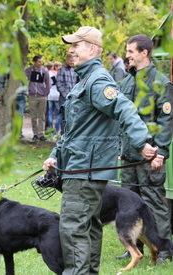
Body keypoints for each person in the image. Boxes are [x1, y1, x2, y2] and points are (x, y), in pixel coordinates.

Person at [42, 26, 158, 275]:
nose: (71, 50)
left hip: (85, 171)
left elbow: (123, 108)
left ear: (92, 48)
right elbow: (74, 131)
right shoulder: (84, 80)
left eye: (76, 45)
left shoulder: (97, 80)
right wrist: (55, 156)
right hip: (80, 167)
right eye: (71, 45)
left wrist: (141, 142)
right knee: (88, 227)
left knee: (73, 228)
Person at [116, 34, 173, 264]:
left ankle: (164, 250)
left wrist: (161, 152)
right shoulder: (127, 81)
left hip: (150, 156)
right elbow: (122, 117)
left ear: (144, 53)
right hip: (129, 156)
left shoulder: (161, 83)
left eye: (130, 51)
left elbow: (166, 121)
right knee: (129, 203)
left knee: (153, 202)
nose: (127, 55)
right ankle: (134, 247)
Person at [25, 55, 51, 141]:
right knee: (33, 117)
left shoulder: (44, 71)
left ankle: (41, 134)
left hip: (42, 96)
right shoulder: (28, 70)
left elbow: (48, 83)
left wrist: (46, 93)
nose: (41, 63)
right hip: (32, 96)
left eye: (41, 61)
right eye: (39, 61)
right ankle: (35, 134)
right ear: (35, 62)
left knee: (41, 116)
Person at [0, 72, 28, 139]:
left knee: (19, 115)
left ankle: (18, 133)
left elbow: (25, 82)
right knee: (9, 115)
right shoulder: (5, 71)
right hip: (8, 96)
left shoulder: (20, 70)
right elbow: (0, 83)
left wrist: (24, 94)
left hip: (20, 96)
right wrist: (3, 94)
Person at [56, 53, 77, 134]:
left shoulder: (73, 71)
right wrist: (65, 95)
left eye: (73, 61)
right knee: (64, 116)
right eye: (71, 60)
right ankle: (63, 134)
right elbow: (59, 84)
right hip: (64, 97)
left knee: (71, 116)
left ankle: (69, 134)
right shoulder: (61, 70)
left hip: (72, 97)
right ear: (66, 60)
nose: (72, 62)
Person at [47, 61, 62, 132]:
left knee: (50, 113)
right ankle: (57, 129)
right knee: (59, 113)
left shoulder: (48, 73)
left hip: (50, 95)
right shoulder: (60, 74)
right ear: (56, 66)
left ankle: (50, 129)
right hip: (57, 95)